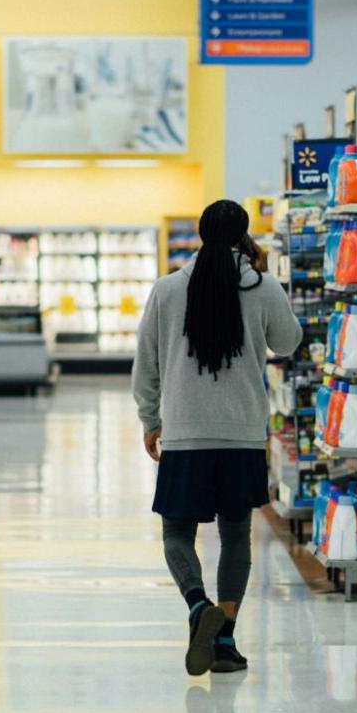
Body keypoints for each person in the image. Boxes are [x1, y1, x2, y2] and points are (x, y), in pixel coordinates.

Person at [132, 199, 301, 676]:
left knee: (176, 532)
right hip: (243, 433)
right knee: (235, 533)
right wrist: (267, 281)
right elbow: (288, 342)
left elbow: (146, 363)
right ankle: (224, 639)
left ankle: (195, 605)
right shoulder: (262, 285)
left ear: (201, 233)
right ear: (244, 236)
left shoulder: (167, 290)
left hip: (185, 432)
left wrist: (151, 419)